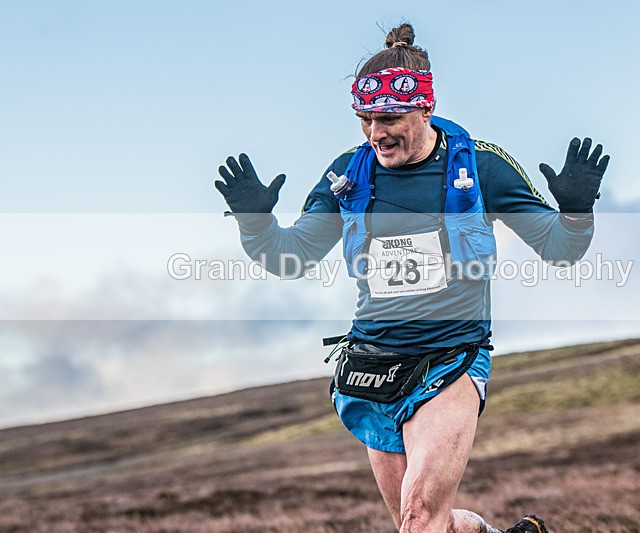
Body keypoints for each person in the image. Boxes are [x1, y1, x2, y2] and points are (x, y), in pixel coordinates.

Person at [215, 23, 608, 533]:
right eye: (365, 118)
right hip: (374, 366)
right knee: (426, 523)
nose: (376, 132)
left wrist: (576, 212)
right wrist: (256, 223)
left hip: (451, 359)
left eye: (389, 117)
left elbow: (561, 249)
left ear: (425, 107)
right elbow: (289, 256)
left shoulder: (481, 168)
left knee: (419, 517)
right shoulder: (347, 176)